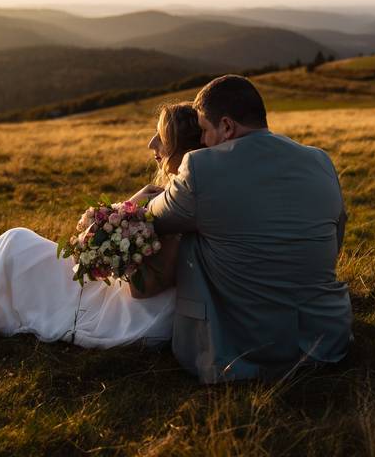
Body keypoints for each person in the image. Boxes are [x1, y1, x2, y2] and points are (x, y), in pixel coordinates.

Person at [0, 103, 202, 349]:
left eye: (160, 137)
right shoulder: (170, 193)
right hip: (119, 289)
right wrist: (116, 220)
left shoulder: (179, 206)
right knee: (17, 248)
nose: (150, 145)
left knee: (16, 246)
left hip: (129, 314)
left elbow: (146, 286)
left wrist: (105, 248)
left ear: (182, 148)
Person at [143, 75, 353, 383]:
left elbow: (152, 219)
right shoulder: (319, 160)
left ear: (227, 127)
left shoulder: (200, 167)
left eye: (203, 130)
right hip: (326, 341)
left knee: (191, 229)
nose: (200, 141)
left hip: (246, 353)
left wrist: (143, 197)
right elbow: (336, 239)